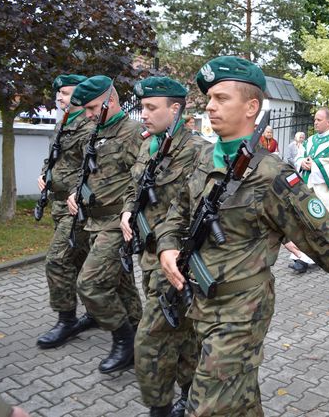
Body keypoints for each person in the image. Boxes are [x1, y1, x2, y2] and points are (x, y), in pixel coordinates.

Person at [155, 56, 329, 416]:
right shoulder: (205, 159)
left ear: (251, 107)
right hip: (199, 300)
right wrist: (167, 245)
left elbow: (327, 242)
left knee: (203, 407)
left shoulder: (274, 177)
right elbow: (179, 211)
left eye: (222, 98)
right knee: (241, 398)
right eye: (209, 99)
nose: (210, 106)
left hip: (241, 311)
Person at [120, 77, 203, 417]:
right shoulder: (147, 145)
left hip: (177, 262)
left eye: (151, 108)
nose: (145, 114)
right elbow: (133, 184)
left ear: (176, 109)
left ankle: (161, 408)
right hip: (147, 255)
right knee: (181, 335)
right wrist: (127, 210)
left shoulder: (198, 150)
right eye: (142, 108)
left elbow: (198, 209)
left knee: (151, 341)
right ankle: (190, 394)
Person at [67, 75, 144, 374]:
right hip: (92, 221)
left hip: (117, 222)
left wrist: (129, 212)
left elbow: (141, 179)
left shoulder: (133, 132)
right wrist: (76, 190)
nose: (87, 115)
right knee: (122, 283)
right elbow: (86, 169)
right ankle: (138, 339)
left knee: (90, 284)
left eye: (91, 108)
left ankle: (123, 341)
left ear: (110, 100)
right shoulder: (94, 131)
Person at [35, 74, 97, 349]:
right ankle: (96, 312)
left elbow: (94, 169)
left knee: (57, 260)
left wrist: (74, 190)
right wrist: (43, 174)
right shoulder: (64, 123)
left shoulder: (89, 126)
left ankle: (67, 320)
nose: (60, 98)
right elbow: (55, 158)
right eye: (59, 93)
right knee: (81, 259)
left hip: (77, 207)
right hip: (58, 204)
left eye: (67, 93)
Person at [295, 107, 329, 223]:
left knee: (320, 229)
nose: (315, 123)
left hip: (323, 193)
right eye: (315, 120)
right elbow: (299, 156)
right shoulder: (310, 140)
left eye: (319, 120)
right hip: (304, 188)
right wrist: (302, 162)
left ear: (328, 122)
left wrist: (314, 166)